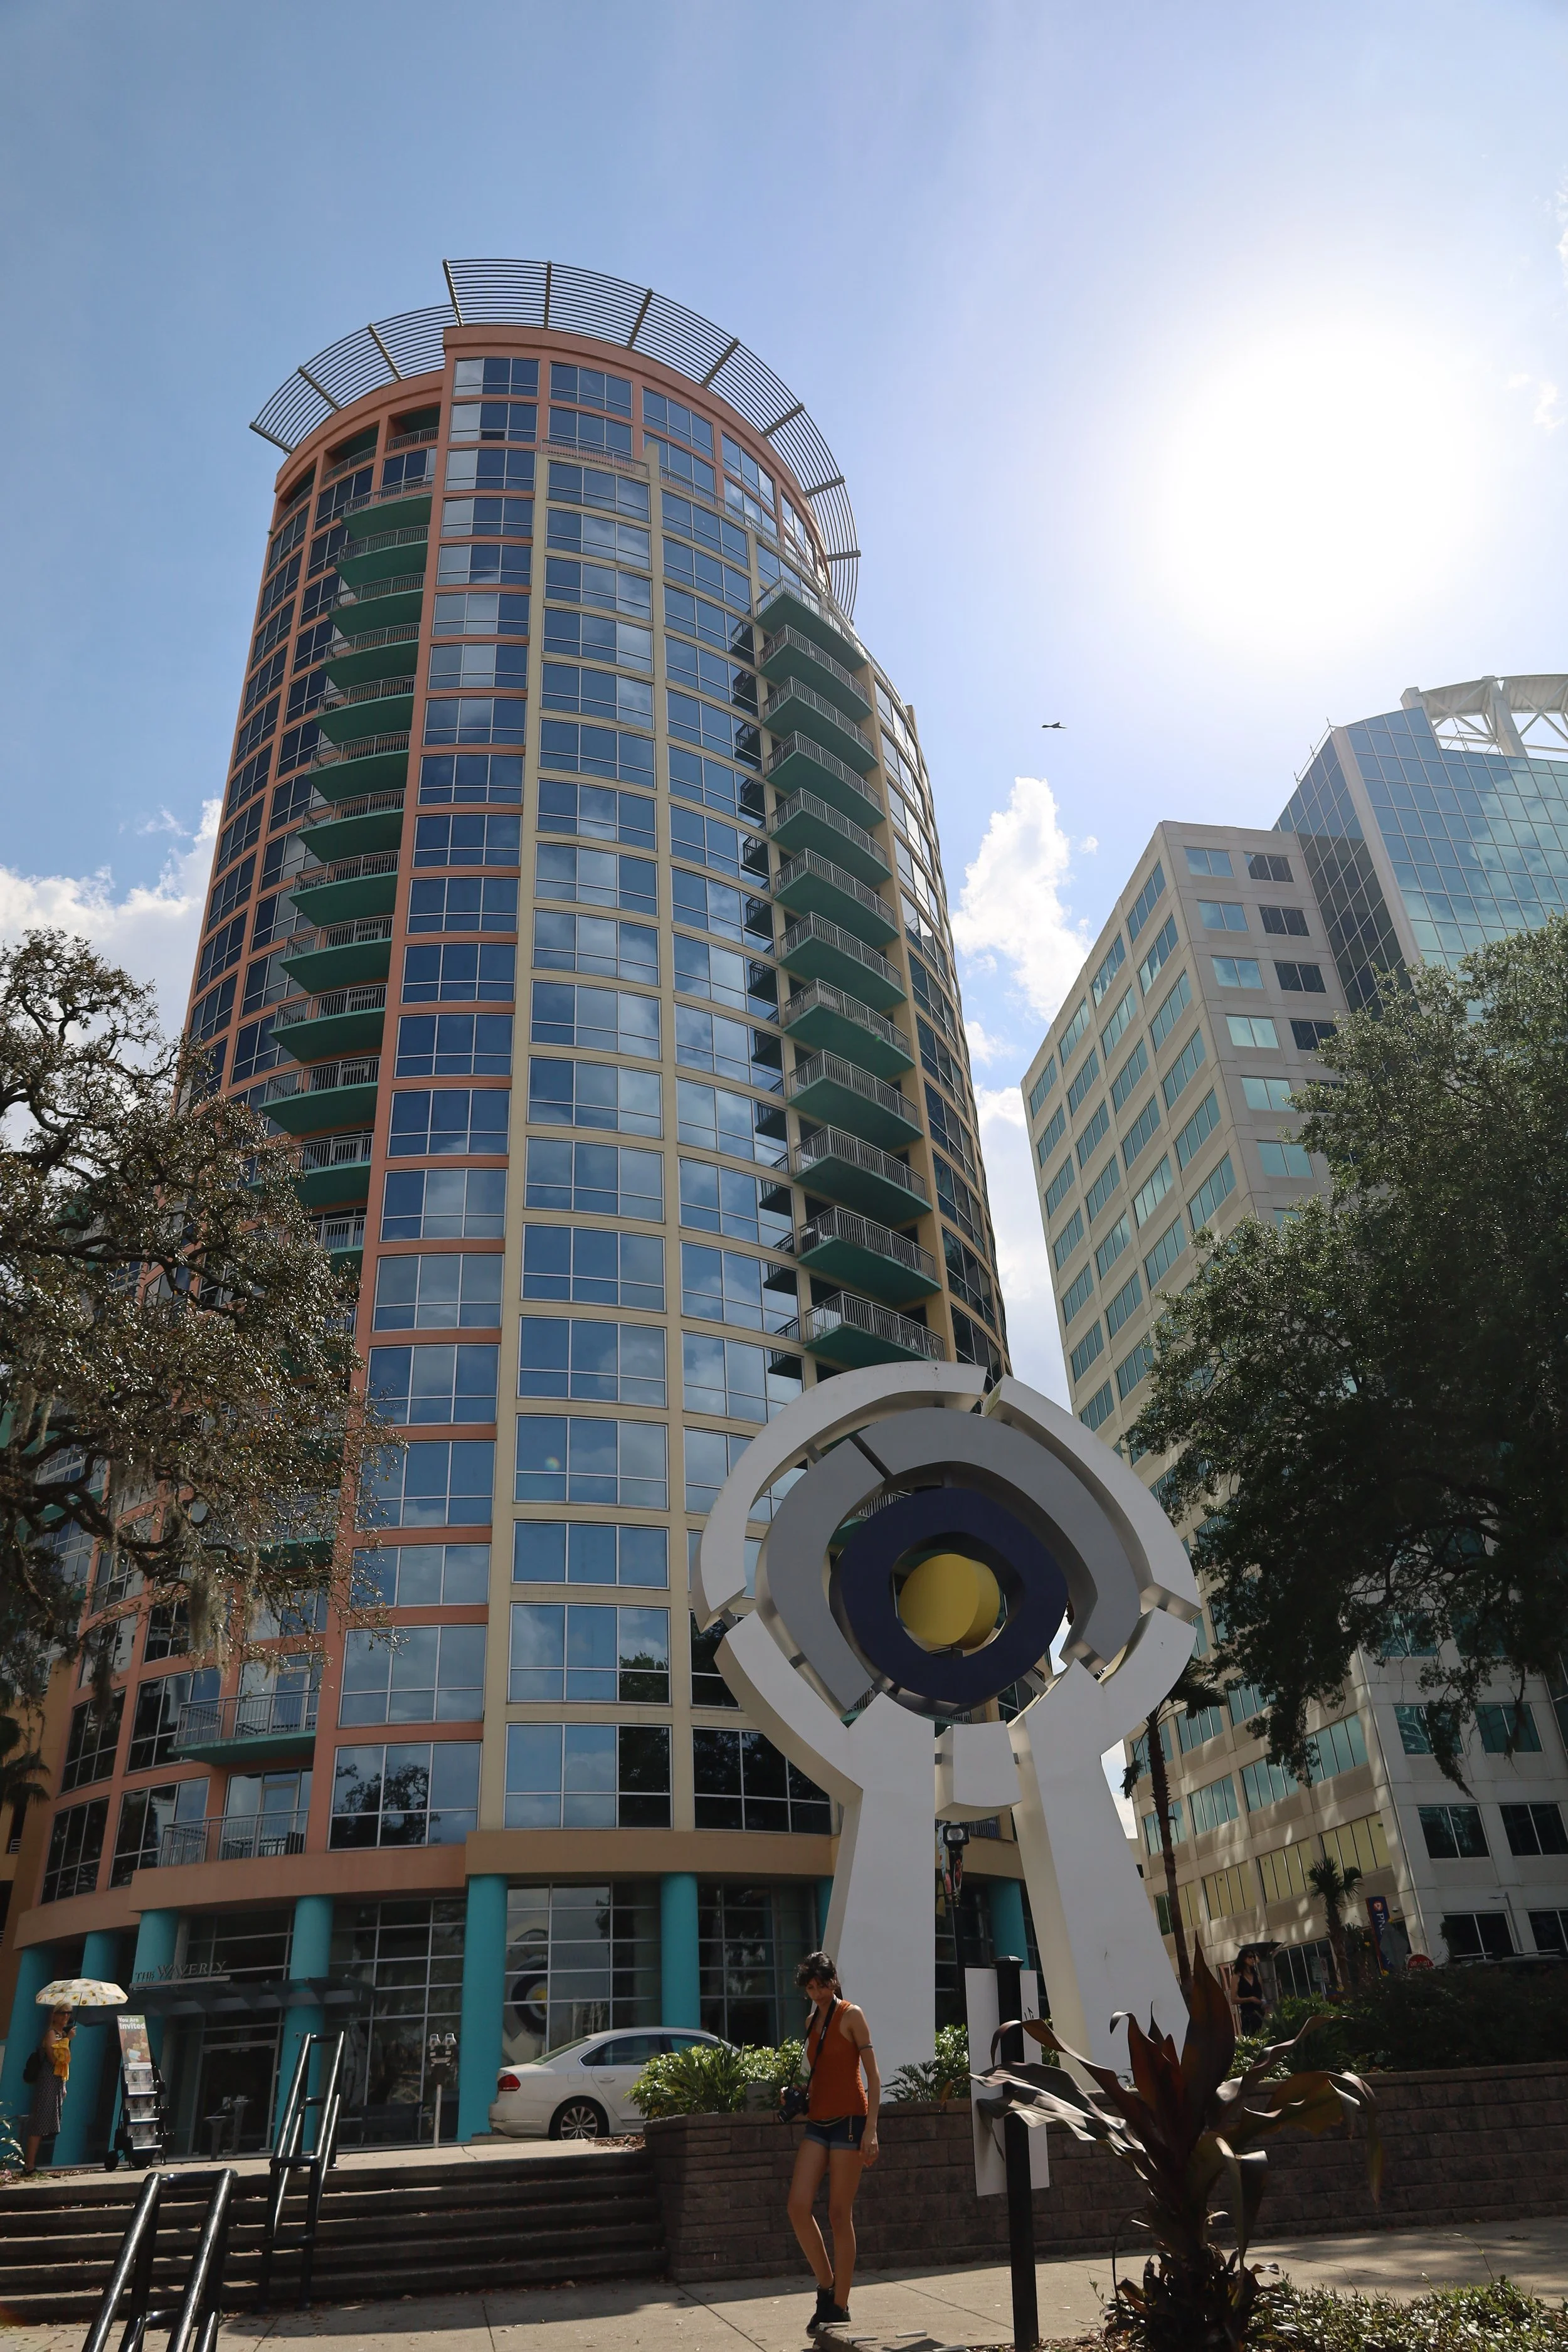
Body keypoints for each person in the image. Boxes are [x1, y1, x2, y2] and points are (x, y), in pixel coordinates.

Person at [784, 1951, 880, 2334]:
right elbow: (823, 2075)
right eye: (810, 1987)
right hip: (818, 2121)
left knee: (839, 2213)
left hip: (851, 2122)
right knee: (797, 2207)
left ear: (833, 1981)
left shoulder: (852, 2015)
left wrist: (871, 2130)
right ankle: (827, 2287)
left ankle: (839, 2305)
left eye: (821, 1984)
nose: (817, 1992)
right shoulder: (811, 2023)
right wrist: (798, 2095)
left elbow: (873, 2077)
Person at [24, 2010, 73, 2175]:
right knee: (40, 2123)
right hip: (48, 2081)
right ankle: (29, 2165)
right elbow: (53, 2059)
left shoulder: (62, 2034)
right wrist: (67, 2040)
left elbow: (64, 2063)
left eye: (69, 2013)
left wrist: (64, 2084)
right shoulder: (51, 2033)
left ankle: (33, 2164)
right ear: (55, 2015)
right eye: (63, 2013)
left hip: (57, 2082)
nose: (66, 2017)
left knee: (47, 2124)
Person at [1233, 1952, 1268, 2036]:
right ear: (1243, 1959)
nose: (1253, 1959)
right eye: (1250, 1957)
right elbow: (1233, 1999)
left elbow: (1264, 1994)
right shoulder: (1237, 1977)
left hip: (1261, 2013)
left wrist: (1264, 2003)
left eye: (1254, 1957)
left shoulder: (1257, 1977)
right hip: (1247, 2015)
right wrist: (1250, 1999)